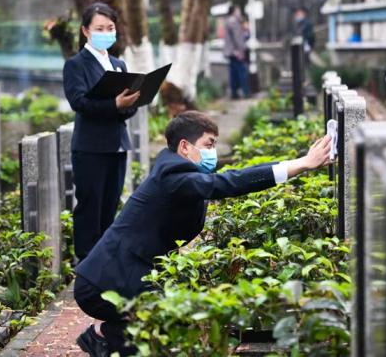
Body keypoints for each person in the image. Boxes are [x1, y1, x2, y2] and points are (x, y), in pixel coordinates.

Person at [74, 111, 332, 355]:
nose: (214, 152)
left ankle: (106, 336)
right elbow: (228, 183)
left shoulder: (180, 170)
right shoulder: (173, 175)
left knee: (170, 329)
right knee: (167, 329)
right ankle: (103, 334)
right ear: (185, 147)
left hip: (126, 277)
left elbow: (228, 179)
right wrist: (300, 165)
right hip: (102, 284)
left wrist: (301, 161)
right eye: (209, 145)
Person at [63, 2, 141, 262]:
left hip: (117, 145)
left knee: (109, 207)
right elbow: (80, 103)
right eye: (99, 28)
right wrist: (115, 104)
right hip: (90, 148)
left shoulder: (118, 64)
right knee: (90, 207)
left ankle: (105, 263)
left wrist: (128, 105)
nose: (106, 32)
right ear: (86, 31)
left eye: (110, 28)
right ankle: (86, 264)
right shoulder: (76, 65)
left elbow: (129, 108)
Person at [223, 5, 250, 99]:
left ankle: (234, 93)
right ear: (234, 11)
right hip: (236, 52)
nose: (239, 12)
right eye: (238, 10)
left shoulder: (228, 20)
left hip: (231, 52)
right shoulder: (233, 21)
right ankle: (245, 92)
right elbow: (237, 38)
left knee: (233, 73)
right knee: (242, 72)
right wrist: (240, 51)